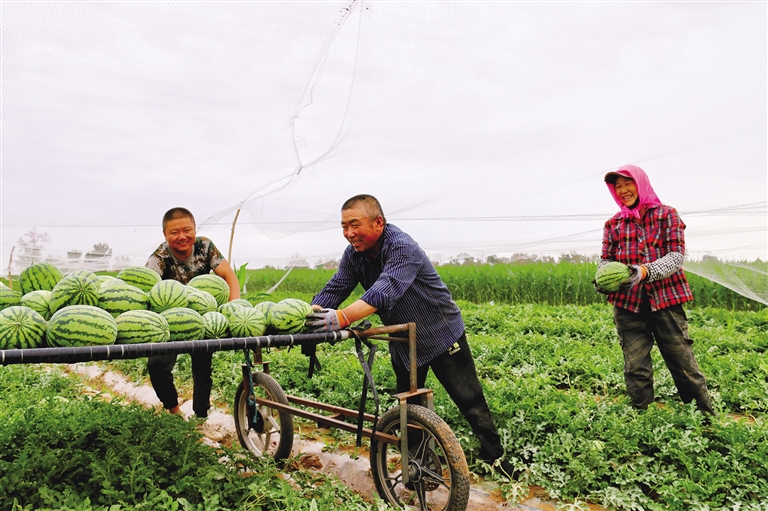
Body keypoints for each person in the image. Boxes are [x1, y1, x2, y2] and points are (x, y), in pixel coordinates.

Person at [307, 194, 514, 475]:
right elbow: (336, 288)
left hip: (441, 334)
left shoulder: (402, 247)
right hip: (405, 340)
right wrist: (308, 313)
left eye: (354, 224)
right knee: (410, 409)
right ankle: (420, 465)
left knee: (471, 402)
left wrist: (341, 318)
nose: (349, 233)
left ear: (378, 222)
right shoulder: (353, 256)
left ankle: (498, 463)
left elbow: (384, 290)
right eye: (344, 226)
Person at [596, 165, 714, 414]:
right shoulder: (613, 224)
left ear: (640, 183)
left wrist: (644, 271)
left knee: (682, 362)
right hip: (627, 305)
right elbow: (606, 259)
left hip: (666, 300)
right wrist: (603, 279)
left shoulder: (667, 215)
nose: (623, 190)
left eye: (627, 183)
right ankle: (644, 419)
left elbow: (676, 256)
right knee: (635, 366)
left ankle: (704, 418)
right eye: (617, 186)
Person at [145, 207, 240, 418]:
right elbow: (147, 290)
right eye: (174, 232)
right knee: (157, 364)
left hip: (203, 314)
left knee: (203, 364)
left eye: (187, 230)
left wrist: (235, 307)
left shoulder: (204, 246)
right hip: (170, 320)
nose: (182, 237)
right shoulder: (158, 258)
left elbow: (229, 276)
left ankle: (201, 415)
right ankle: (173, 409)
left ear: (195, 229)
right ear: (165, 235)